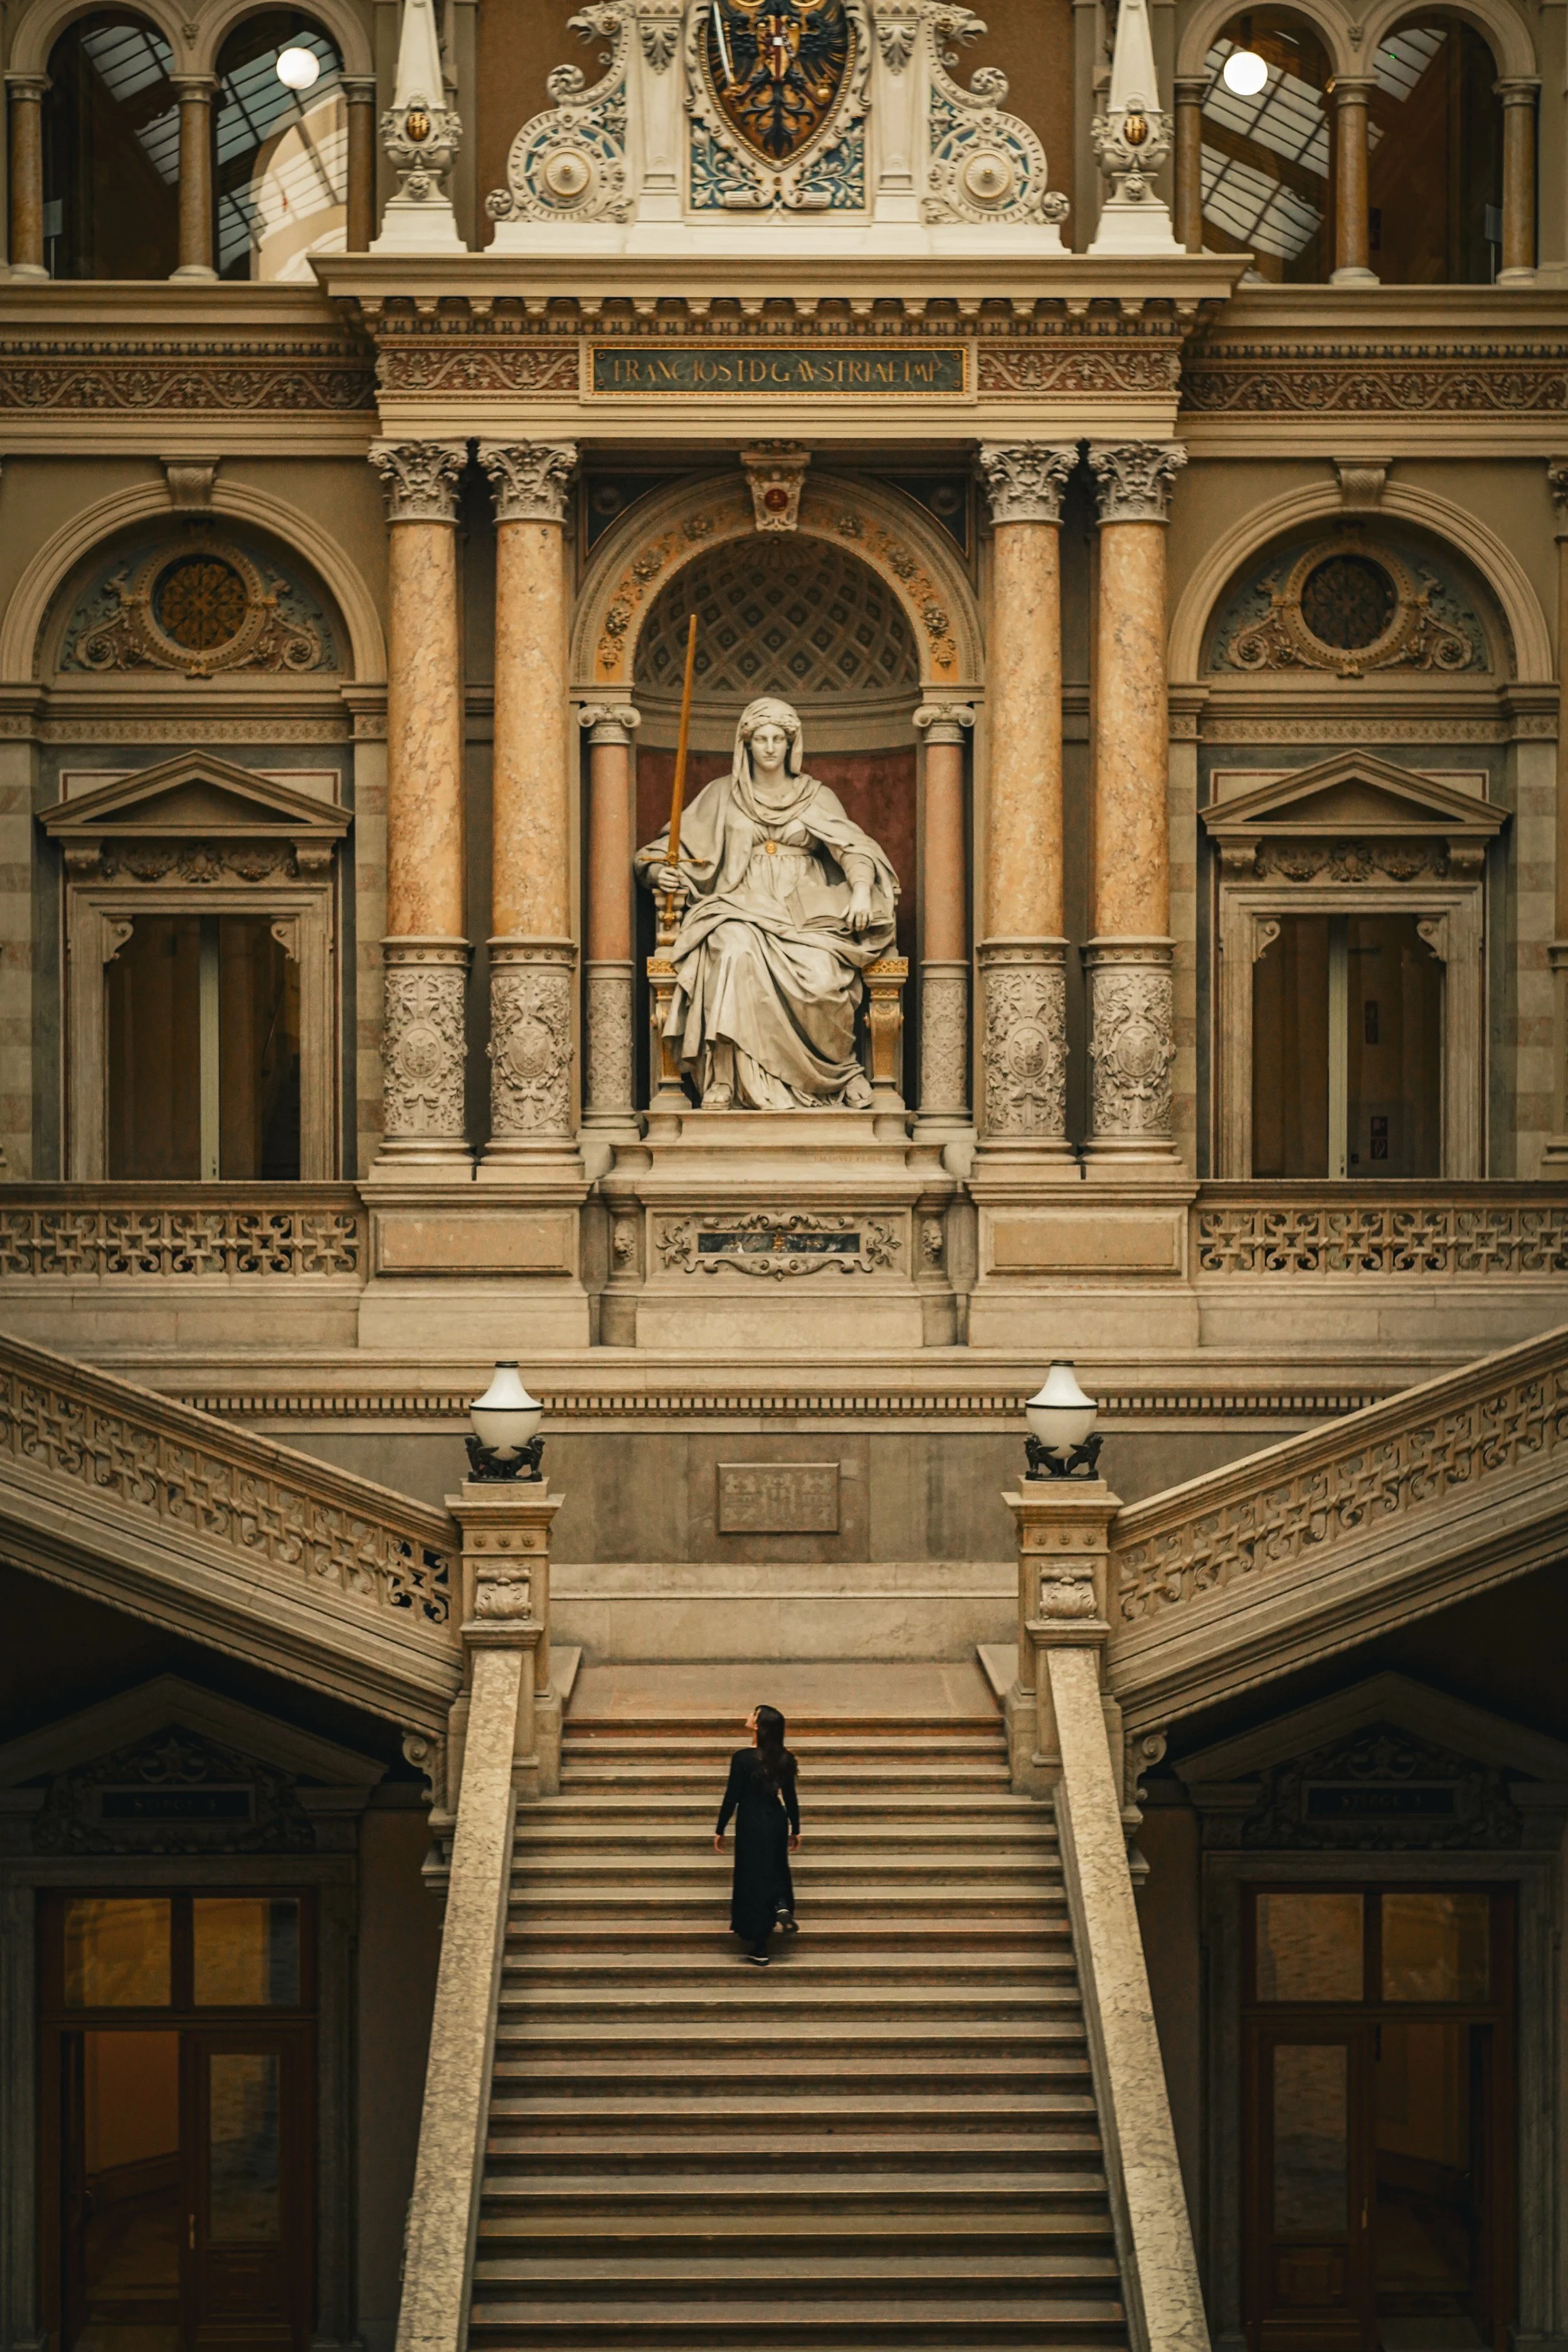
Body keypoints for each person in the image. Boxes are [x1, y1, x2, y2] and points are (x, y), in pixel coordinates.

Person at [635, 694, 899, 1110]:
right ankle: (724, 1078)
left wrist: (863, 888)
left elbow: (855, 849)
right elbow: (660, 852)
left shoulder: (815, 795)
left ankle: (836, 1074)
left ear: (792, 744)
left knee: (823, 975)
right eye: (762, 738)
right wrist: (658, 872)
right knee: (734, 952)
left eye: (779, 737)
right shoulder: (723, 795)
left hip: (806, 915)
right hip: (738, 904)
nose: (771, 746)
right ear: (747, 744)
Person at [714, 1702, 802, 1967]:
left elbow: (732, 1797)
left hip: (751, 1821)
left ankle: (760, 1944)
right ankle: (781, 1902)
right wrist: (796, 1828)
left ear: (758, 1725)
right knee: (776, 1866)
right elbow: (790, 1797)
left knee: (752, 1877)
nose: (748, 1715)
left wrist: (720, 1828)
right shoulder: (785, 1758)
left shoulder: (742, 1758)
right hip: (776, 1820)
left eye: (753, 1714)